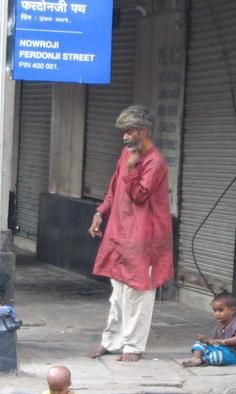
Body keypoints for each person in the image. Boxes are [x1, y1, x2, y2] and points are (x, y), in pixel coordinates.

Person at [88, 105, 174, 363]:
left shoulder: (155, 162)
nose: (124, 137)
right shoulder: (126, 154)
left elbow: (139, 195)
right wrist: (100, 213)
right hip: (119, 232)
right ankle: (112, 341)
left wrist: (134, 167)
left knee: (137, 293)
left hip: (143, 237)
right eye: (123, 132)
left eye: (129, 131)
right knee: (117, 294)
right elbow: (114, 189)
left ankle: (133, 346)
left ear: (144, 132)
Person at [182, 292, 236, 367]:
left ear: (232, 310)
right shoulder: (218, 326)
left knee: (217, 357)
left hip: (231, 354)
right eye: (215, 311)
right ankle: (196, 358)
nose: (217, 313)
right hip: (219, 348)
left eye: (220, 310)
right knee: (199, 344)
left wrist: (221, 341)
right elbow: (214, 342)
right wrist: (207, 340)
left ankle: (203, 360)